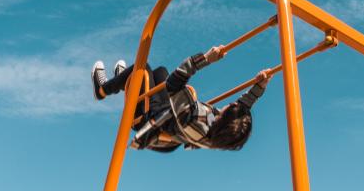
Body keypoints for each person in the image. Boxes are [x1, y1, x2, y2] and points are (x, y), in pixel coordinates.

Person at [91, 46, 271, 152]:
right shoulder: (216, 136)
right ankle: (123, 80)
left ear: (223, 120)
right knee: (160, 71)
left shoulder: (193, 117)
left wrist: (206, 59)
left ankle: (102, 90)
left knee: (141, 69)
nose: (232, 103)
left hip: (149, 121)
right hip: (168, 123)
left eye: (230, 108)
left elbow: (175, 82)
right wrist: (260, 86)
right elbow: (241, 109)